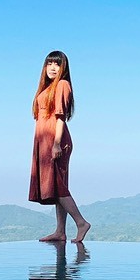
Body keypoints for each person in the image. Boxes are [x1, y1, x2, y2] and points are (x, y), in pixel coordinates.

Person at [29, 50, 91, 244]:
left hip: (55, 140)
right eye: (49, 64)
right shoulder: (45, 89)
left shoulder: (62, 85)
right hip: (43, 140)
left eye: (57, 64)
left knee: (57, 186)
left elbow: (60, 118)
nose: (52, 68)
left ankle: (81, 222)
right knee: (57, 186)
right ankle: (60, 231)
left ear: (63, 67)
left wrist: (56, 144)